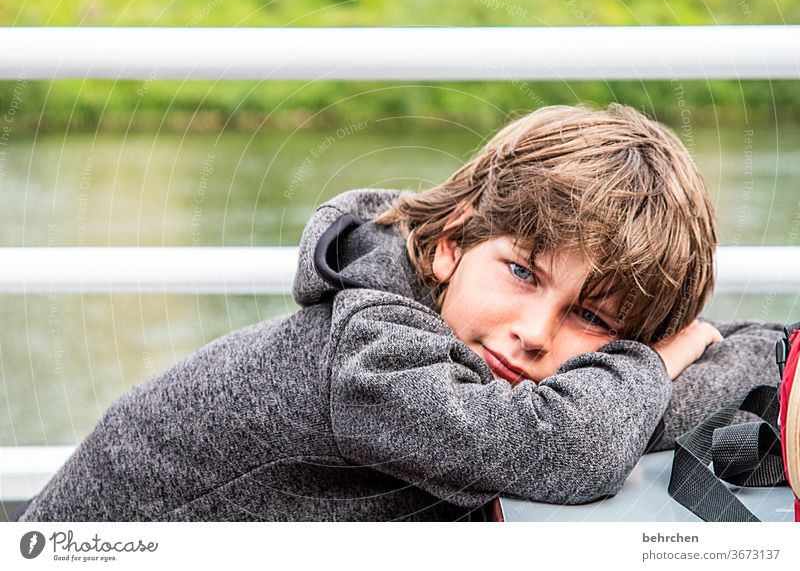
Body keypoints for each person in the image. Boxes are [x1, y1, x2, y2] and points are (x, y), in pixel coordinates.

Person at [16, 104, 784, 522]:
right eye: (520, 272)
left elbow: (619, 411)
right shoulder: (369, 354)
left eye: (593, 319)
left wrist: (766, 356)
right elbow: (560, 446)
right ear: (451, 242)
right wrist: (648, 360)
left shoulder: (487, 362)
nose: (536, 331)